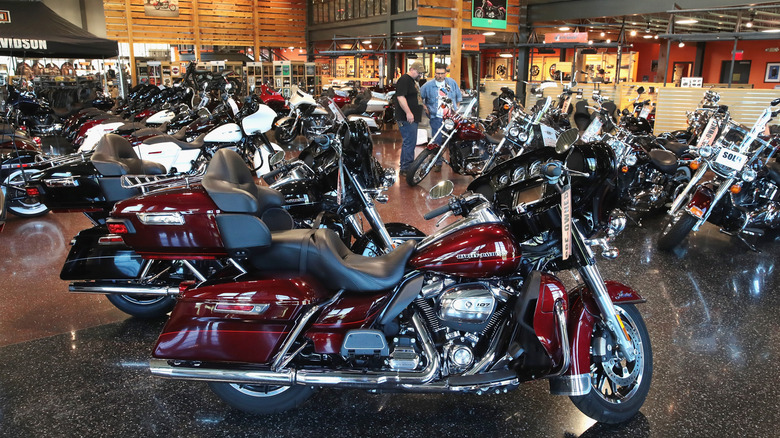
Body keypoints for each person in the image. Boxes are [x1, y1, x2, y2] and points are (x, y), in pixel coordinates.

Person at [420, 63, 463, 172]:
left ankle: (455, 163)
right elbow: (419, 98)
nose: (439, 76)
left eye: (442, 73)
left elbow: (459, 97)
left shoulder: (452, 83)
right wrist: (425, 108)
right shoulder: (428, 86)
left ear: (446, 73)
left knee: (453, 140)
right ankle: (437, 163)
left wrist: (456, 109)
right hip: (436, 117)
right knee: (437, 141)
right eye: (437, 73)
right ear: (434, 73)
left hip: (451, 118)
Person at [394, 61, 425, 176]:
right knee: (410, 142)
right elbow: (400, 97)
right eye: (418, 72)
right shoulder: (404, 80)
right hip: (406, 117)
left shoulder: (412, 81)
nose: (420, 75)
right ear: (412, 69)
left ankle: (405, 166)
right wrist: (408, 112)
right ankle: (407, 168)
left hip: (411, 117)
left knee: (409, 141)